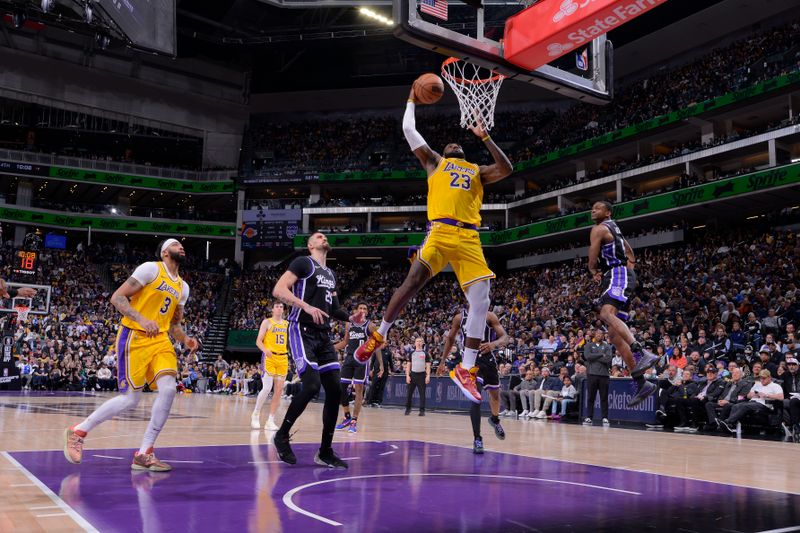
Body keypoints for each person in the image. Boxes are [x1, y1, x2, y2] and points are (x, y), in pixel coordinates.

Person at [354, 85, 514, 406]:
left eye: (458, 142)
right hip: (440, 230)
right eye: (449, 142)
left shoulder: (476, 171)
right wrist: (412, 98)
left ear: (465, 152)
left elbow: (507, 168)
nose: (453, 143)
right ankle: (379, 334)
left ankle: (466, 369)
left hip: (469, 236)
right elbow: (408, 128)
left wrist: (485, 137)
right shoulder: (434, 161)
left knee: (481, 299)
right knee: (412, 282)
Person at [63, 238, 200, 471]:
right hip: (134, 336)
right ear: (165, 252)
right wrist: (142, 319)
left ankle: (144, 452)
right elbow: (117, 297)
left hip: (161, 341)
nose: (182, 247)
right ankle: (78, 431)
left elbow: (174, 324)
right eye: (176, 245)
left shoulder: (183, 288)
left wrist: (185, 339)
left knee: (168, 390)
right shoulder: (150, 269)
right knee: (130, 398)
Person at [271, 232, 362, 469]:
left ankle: (325, 451)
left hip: (322, 336)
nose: (324, 238)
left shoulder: (331, 274)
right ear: (311, 245)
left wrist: (351, 317)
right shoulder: (303, 263)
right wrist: (306, 306)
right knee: (311, 385)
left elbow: (334, 309)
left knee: (334, 390)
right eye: (319, 236)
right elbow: (279, 290)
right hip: (301, 329)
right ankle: (281, 434)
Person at [588, 200, 659, 407]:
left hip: (616, 274)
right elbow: (629, 252)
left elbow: (592, 257)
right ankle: (641, 382)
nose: (593, 210)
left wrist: (593, 271)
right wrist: (630, 268)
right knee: (614, 336)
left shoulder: (599, 229)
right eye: (593, 207)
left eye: (598, 207)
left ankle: (641, 351)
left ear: (608, 212)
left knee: (605, 313)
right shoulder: (615, 228)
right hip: (622, 274)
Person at [438, 310, 509, 454]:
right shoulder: (459, 317)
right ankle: (477, 438)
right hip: (470, 361)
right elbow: (450, 338)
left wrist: (493, 344)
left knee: (495, 395)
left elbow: (505, 337)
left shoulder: (489, 316)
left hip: (487, 358)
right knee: (475, 398)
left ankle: (494, 420)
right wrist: (442, 361)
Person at [334, 303, 384, 433]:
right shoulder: (348, 324)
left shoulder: (370, 325)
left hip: (362, 361)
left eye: (365, 309)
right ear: (356, 311)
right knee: (341, 387)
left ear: (367, 312)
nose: (362, 310)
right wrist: (330, 347)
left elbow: (376, 345)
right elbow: (345, 342)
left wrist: (381, 364)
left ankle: (354, 421)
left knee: (359, 389)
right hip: (349, 358)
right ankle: (346, 416)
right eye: (360, 308)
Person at [251, 302, 289, 431]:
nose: (279, 308)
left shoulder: (286, 324)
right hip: (270, 357)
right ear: (272, 309)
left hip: (283, 358)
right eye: (277, 306)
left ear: (283, 310)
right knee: (267, 388)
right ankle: (256, 414)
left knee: (278, 391)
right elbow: (258, 341)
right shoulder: (267, 322)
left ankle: (270, 420)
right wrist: (265, 350)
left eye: (281, 307)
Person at [719, 369, 784, 433]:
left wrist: (766, 395)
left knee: (745, 406)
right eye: (760, 378)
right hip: (752, 402)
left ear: (769, 377)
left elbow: (781, 397)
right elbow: (748, 396)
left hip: (764, 404)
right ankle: (731, 426)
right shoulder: (757, 384)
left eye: (764, 378)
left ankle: (727, 422)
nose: (762, 380)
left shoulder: (775, 386)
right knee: (736, 406)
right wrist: (753, 395)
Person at [583, 329, 612, 426]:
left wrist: (595, 357)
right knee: (591, 397)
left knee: (604, 397)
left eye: (602, 334)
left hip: (604, 375)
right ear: (594, 335)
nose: (600, 335)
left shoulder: (607, 346)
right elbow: (587, 356)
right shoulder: (588, 345)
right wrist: (600, 354)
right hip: (592, 374)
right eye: (598, 333)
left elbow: (608, 359)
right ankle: (589, 417)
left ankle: (605, 417)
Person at [405, 337, 431, 416]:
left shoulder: (425, 353)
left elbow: (428, 366)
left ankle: (422, 411)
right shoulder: (411, 353)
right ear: (415, 343)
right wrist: (407, 376)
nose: (419, 343)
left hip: (422, 375)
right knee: (409, 393)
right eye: (417, 341)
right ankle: (408, 409)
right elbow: (408, 365)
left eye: (420, 341)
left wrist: (428, 376)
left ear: (422, 343)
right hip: (413, 375)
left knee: (422, 394)